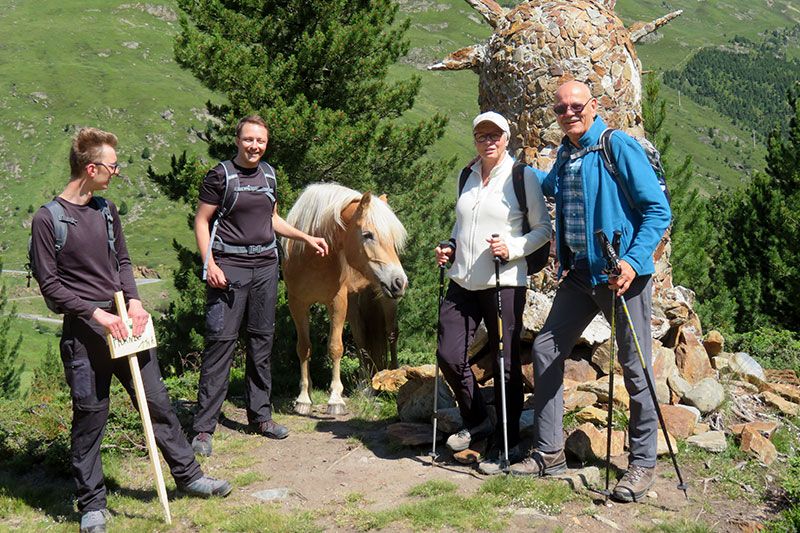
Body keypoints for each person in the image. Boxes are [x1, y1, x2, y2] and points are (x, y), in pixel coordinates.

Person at [30, 128, 232, 533]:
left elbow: (122, 261)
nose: (116, 172)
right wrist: (95, 315)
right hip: (85, 335)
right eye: (112, 167)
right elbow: (50, 286)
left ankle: (189, 477)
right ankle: (92, 505)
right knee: (90, 416)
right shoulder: (48, 220)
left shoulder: (106, 210)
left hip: (125, 323)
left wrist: (135, 301)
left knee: (157, 403)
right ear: (91, 168)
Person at [510, 81, 671, 503]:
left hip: (622, 277)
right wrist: (520, 174)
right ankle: (549, 452)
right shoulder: (567, 153)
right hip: (581, 273)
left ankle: (642, 463)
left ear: (594, 106)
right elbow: (556, 189)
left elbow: (658, 210)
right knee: (546, 349)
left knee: (635, 368)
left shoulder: (615, 147)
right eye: (561, 108)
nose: (569, 113)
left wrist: (634, 262)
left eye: (576, 105)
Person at [191, 115, 328, 456]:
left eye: (261, 141)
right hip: (230, 267)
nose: (255, 146)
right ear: (238, 140)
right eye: (249, 139)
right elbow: (202, 220)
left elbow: (272, 218)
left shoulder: (269, 174)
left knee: (261, 342)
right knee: (221, 343)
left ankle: (260, 417)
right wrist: (210, 263)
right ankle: (204, 428)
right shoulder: (220, 176)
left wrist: (305, 237)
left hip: (266, 266)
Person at [434, 111, 551, 475]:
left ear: (507, 137)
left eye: (495, 135)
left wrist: (512, 247)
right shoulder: (466, 175)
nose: (488, 141)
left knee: (506, 364)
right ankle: (479, 419)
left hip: (505, 281)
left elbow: (544, 229)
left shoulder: (522, 177)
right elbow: (462, 223)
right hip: (462, 280)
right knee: (448, 353)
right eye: (482, 135)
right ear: (475, 139)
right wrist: (450, 247)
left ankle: (508, 442)